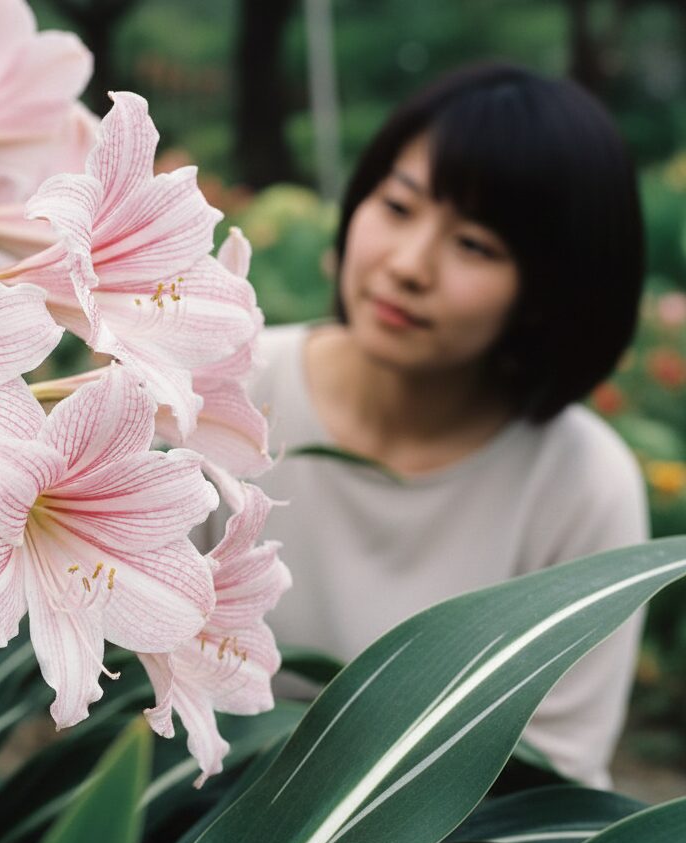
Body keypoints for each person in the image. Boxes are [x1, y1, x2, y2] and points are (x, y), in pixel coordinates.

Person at [251, 61, 648, 790]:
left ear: (549, 290)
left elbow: (548, 783)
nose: (407, 266)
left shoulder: (582, 483)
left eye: (476, 246)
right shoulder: (232, 388)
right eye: (398, 208)